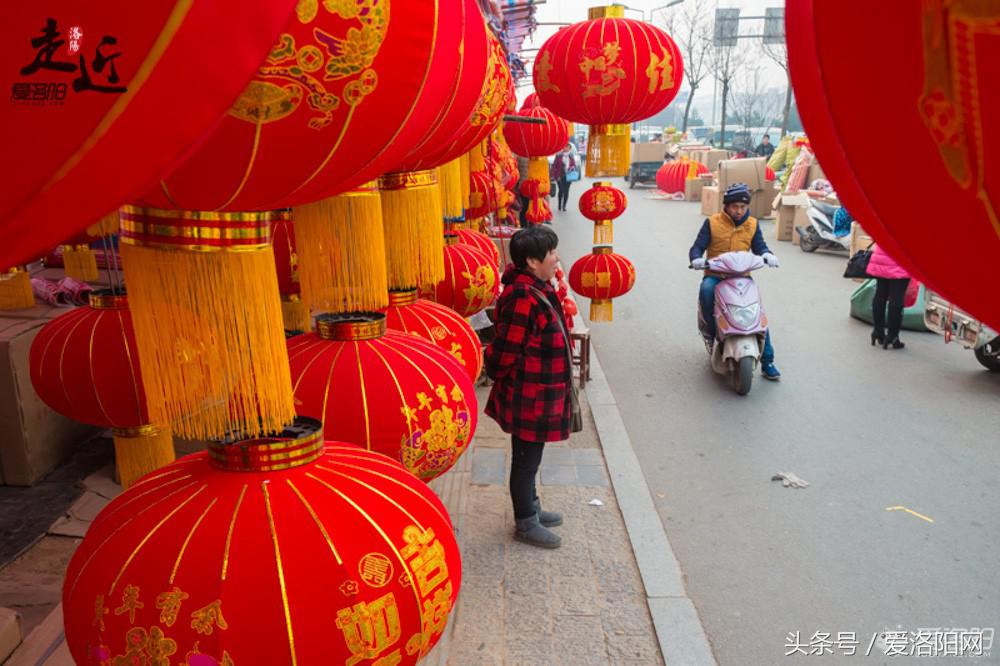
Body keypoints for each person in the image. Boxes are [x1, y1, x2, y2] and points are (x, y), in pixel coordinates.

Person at [484, 225, 571, 549]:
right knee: (525, 461)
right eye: (551, 252)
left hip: (540, 392)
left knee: (531, 458)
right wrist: (493, 369)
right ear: (532, 262)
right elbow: (506, 350)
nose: (556, 257)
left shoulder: (537, 287)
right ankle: (525, 522)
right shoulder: (523, 296)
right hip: (529, 395)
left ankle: (532, 507)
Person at [689, 182, 782, 380]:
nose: (739, 211)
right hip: (715, 275)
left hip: (742, 276)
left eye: (743, 206)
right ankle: (711, 333)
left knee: (756, 313)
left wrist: (767, 255)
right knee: (706, 291)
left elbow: (760, 247)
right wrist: (696, 258)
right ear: (726, 206)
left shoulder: (753, 224)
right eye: (735, 206)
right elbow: (697, 247)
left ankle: (768, 361)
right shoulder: (712, 223)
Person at [867, 245, 911, 349]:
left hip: (881, 255)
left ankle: (878, 331)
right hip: (900, 258)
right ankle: (892, 336)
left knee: (880, 295)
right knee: (896, 298)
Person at [550, 145, 578, 213]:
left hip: (568, 176)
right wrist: (553, 175)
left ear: (570, 148)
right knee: (561, 190)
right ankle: (559, 205)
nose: (565, 148)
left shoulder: (571, 156)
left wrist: (571, 167)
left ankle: (564, 206)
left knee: (566, 191)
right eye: (564, 147)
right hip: (560, 176)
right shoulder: (559, 155)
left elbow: (574, 165)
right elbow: (554, 166)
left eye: (567, 147)